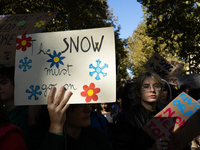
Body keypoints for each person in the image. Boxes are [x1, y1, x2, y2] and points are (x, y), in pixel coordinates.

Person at [30, 86, 112, 150]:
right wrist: (56, 126)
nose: (89, 109)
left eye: (88, 103)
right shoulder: (40, 139)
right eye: (80, 105)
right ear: (62, 108)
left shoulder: (98, 137)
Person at [113, 72, 170, 150]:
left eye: (156, 86)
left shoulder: (168, 115)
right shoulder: (126, 118)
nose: (152, 90)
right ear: (138, 92)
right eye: (146, 87)